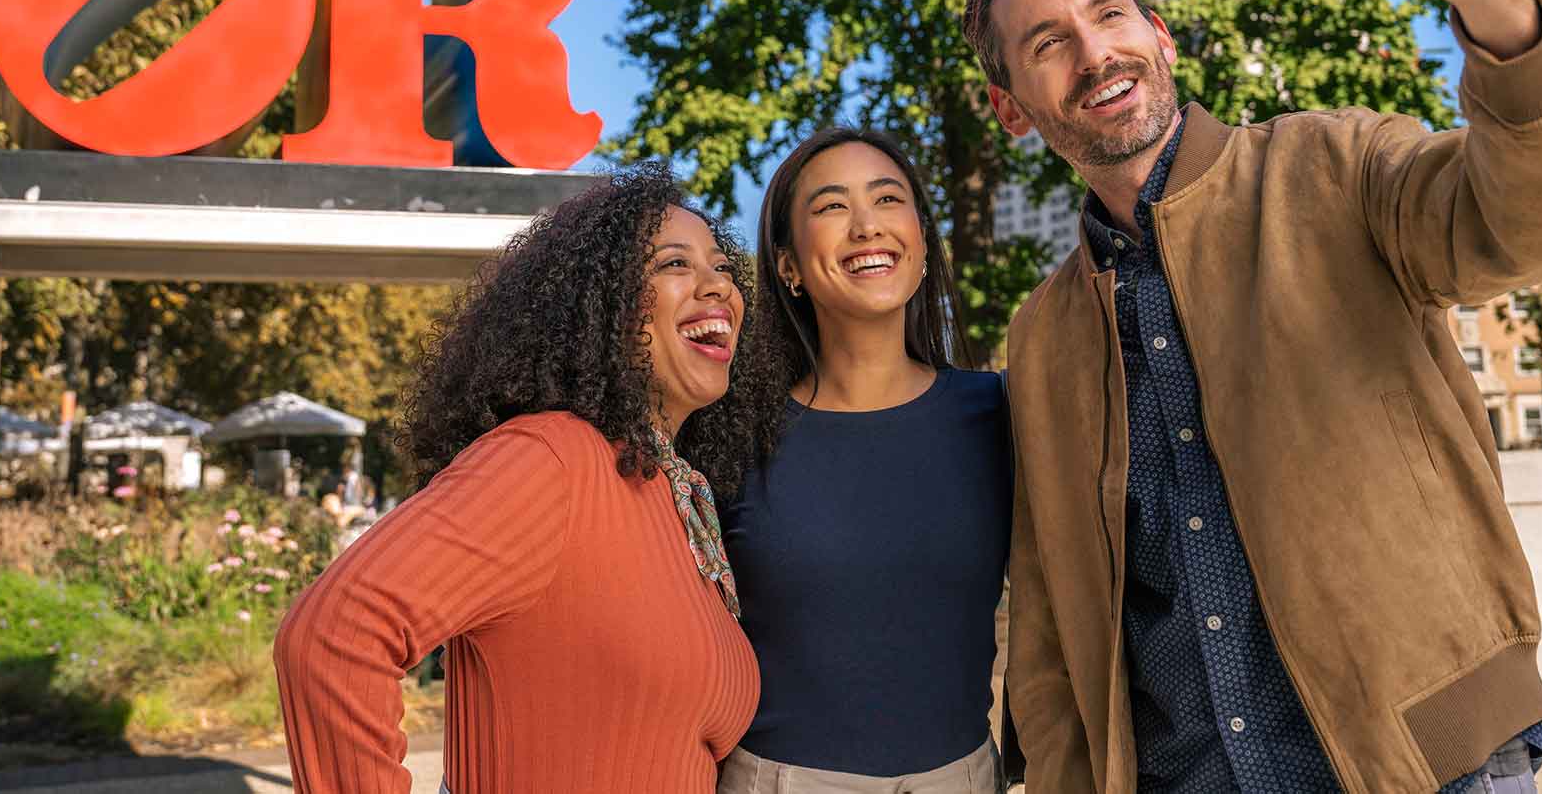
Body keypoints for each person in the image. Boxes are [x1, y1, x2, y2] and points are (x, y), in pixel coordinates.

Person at [963, 0, 1542, 794]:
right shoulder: (1041, 334)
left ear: (1157, 36)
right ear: (1010, 106)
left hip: (1431, 764)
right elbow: (1053, 628)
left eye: (1109, 16)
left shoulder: (1335, 165)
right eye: (1047, 44)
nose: (1093, 52)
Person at [273, 162, 772, 794]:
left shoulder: (679, 499)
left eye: (723, 268)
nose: (718, 288)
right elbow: (334, 639)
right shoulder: (550, 459)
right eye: (675, 264)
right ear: (596, 305)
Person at [718, 126, 1014, 794]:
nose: (865, 226)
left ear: (921, 237)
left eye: (887, 198)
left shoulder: (1000, 414)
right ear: (788, 265)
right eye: (830, 207)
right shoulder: (731, 434)